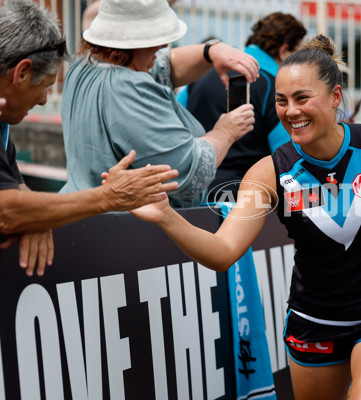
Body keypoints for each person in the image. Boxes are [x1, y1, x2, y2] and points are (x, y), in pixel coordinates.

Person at [130, 35, 361, 400]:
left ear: (335, 97)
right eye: (281, 101)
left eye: (301, 98)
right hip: (315, 319)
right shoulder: (269, 172)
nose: (290, 111)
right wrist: (166, 216)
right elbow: (223, 251)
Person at [0, 0, 179, 277]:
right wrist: (108, 198)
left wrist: (37, 218)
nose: (46, 99)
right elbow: (6, 211)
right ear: (22, 73)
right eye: (47, 85)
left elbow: (15, 190)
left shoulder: (3, 120)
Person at [60, 0, 260, 208]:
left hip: (84, 217)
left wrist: (209, 51)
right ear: (134, 43)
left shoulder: (83, 65)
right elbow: (187, 174)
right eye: (157, 38)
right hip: (133, 231)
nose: (164, 45)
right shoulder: (130, 89)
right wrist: (225, 132)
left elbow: (165, 64)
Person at [185, 12, 306, 201]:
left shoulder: (197, 78)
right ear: (284, 50)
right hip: (247, 201)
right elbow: (288, 159)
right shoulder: (276, 89)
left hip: (193, 194)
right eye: (297, 54)